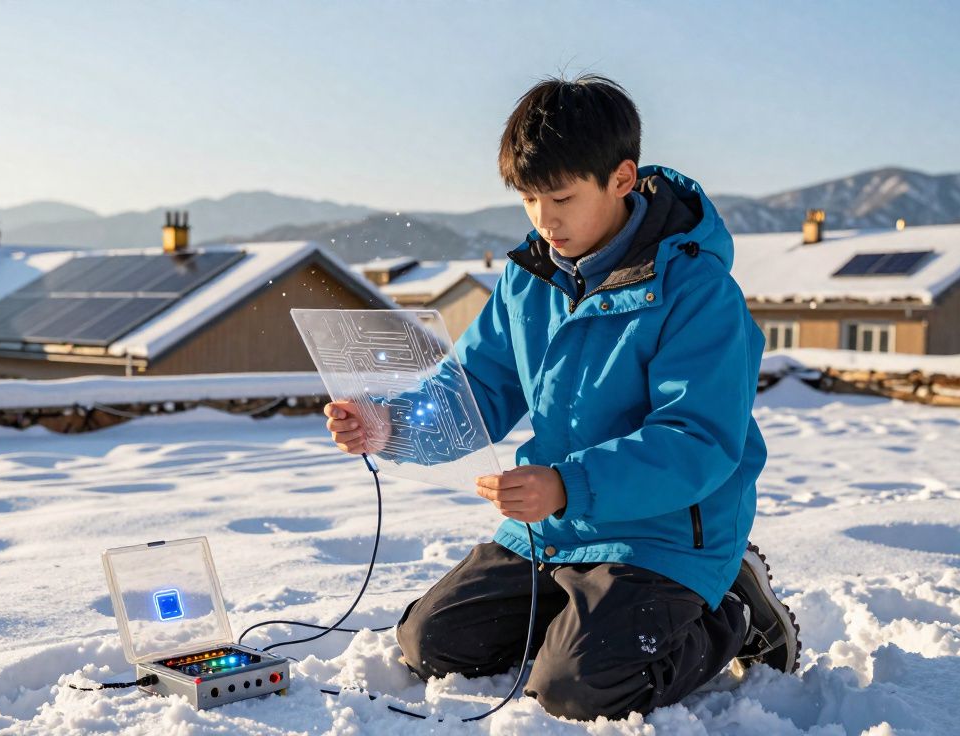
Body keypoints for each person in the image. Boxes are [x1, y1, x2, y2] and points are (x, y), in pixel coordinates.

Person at [322, 74, 798, 722]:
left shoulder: (699, 293)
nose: (545, 220)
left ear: (623, 179)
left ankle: (733, 614)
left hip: (663, 534)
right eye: (529, 199)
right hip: (550, 528)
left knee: (579, 688)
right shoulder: (530, 281)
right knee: (431, 643)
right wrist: (388, 424)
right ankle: (582, 614)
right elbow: (479, 389)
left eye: (562, 197)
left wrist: (567, 485)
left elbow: (698, 441)